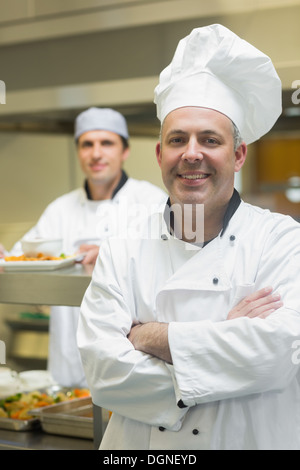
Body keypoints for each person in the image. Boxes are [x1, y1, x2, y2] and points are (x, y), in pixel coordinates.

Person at [77, 25, 300, 450]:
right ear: (160, 155)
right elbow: (104, 374)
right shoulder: (124, 243)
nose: (191, 153)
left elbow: (276, 357)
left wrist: (148, 337)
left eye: (210, 140)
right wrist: (225, 338)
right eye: (177, 139)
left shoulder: (283, 240)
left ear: (237, 155)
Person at [5, 107, 167, 387]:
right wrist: (5, 257)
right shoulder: (61, 209)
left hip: (130, 360)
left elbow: (171, 268)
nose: (96, 153)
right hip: (69, 361)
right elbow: (24, 257)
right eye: (87, 144)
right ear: (78, 151)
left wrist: (112, 255)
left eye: (107, 143)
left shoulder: (152, 202)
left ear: (124, 151)